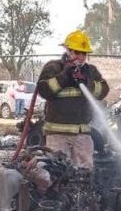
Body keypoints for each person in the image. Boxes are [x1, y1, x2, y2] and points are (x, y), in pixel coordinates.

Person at [36, 30, 109, 170]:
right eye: (77, 52)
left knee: (84, 174)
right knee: (56, 173)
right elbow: (44, 90)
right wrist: (65, 76)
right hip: (57, 134)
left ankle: (83, 193)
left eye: (84, 53)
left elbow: (103, 91)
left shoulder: (90, 71)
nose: (81, 57)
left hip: (82, 134)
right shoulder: (54, 68)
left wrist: (87, 82)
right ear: (68, 50)